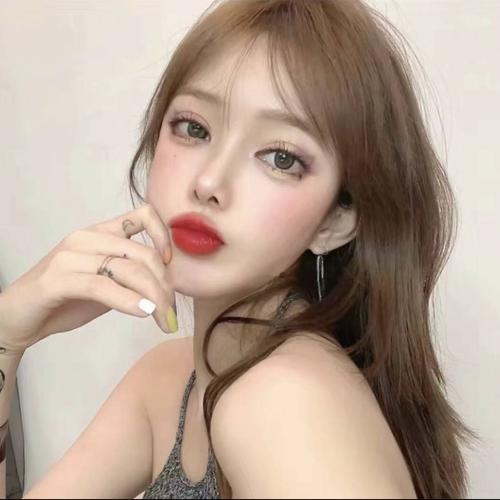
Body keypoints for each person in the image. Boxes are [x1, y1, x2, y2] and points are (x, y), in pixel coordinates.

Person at [0, 0, 479, 498]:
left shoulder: (282, 399)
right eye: (194, 128)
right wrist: (8, 332)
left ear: (335, 221)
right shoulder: (170, 381)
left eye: (280, 157)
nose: (209, 182)